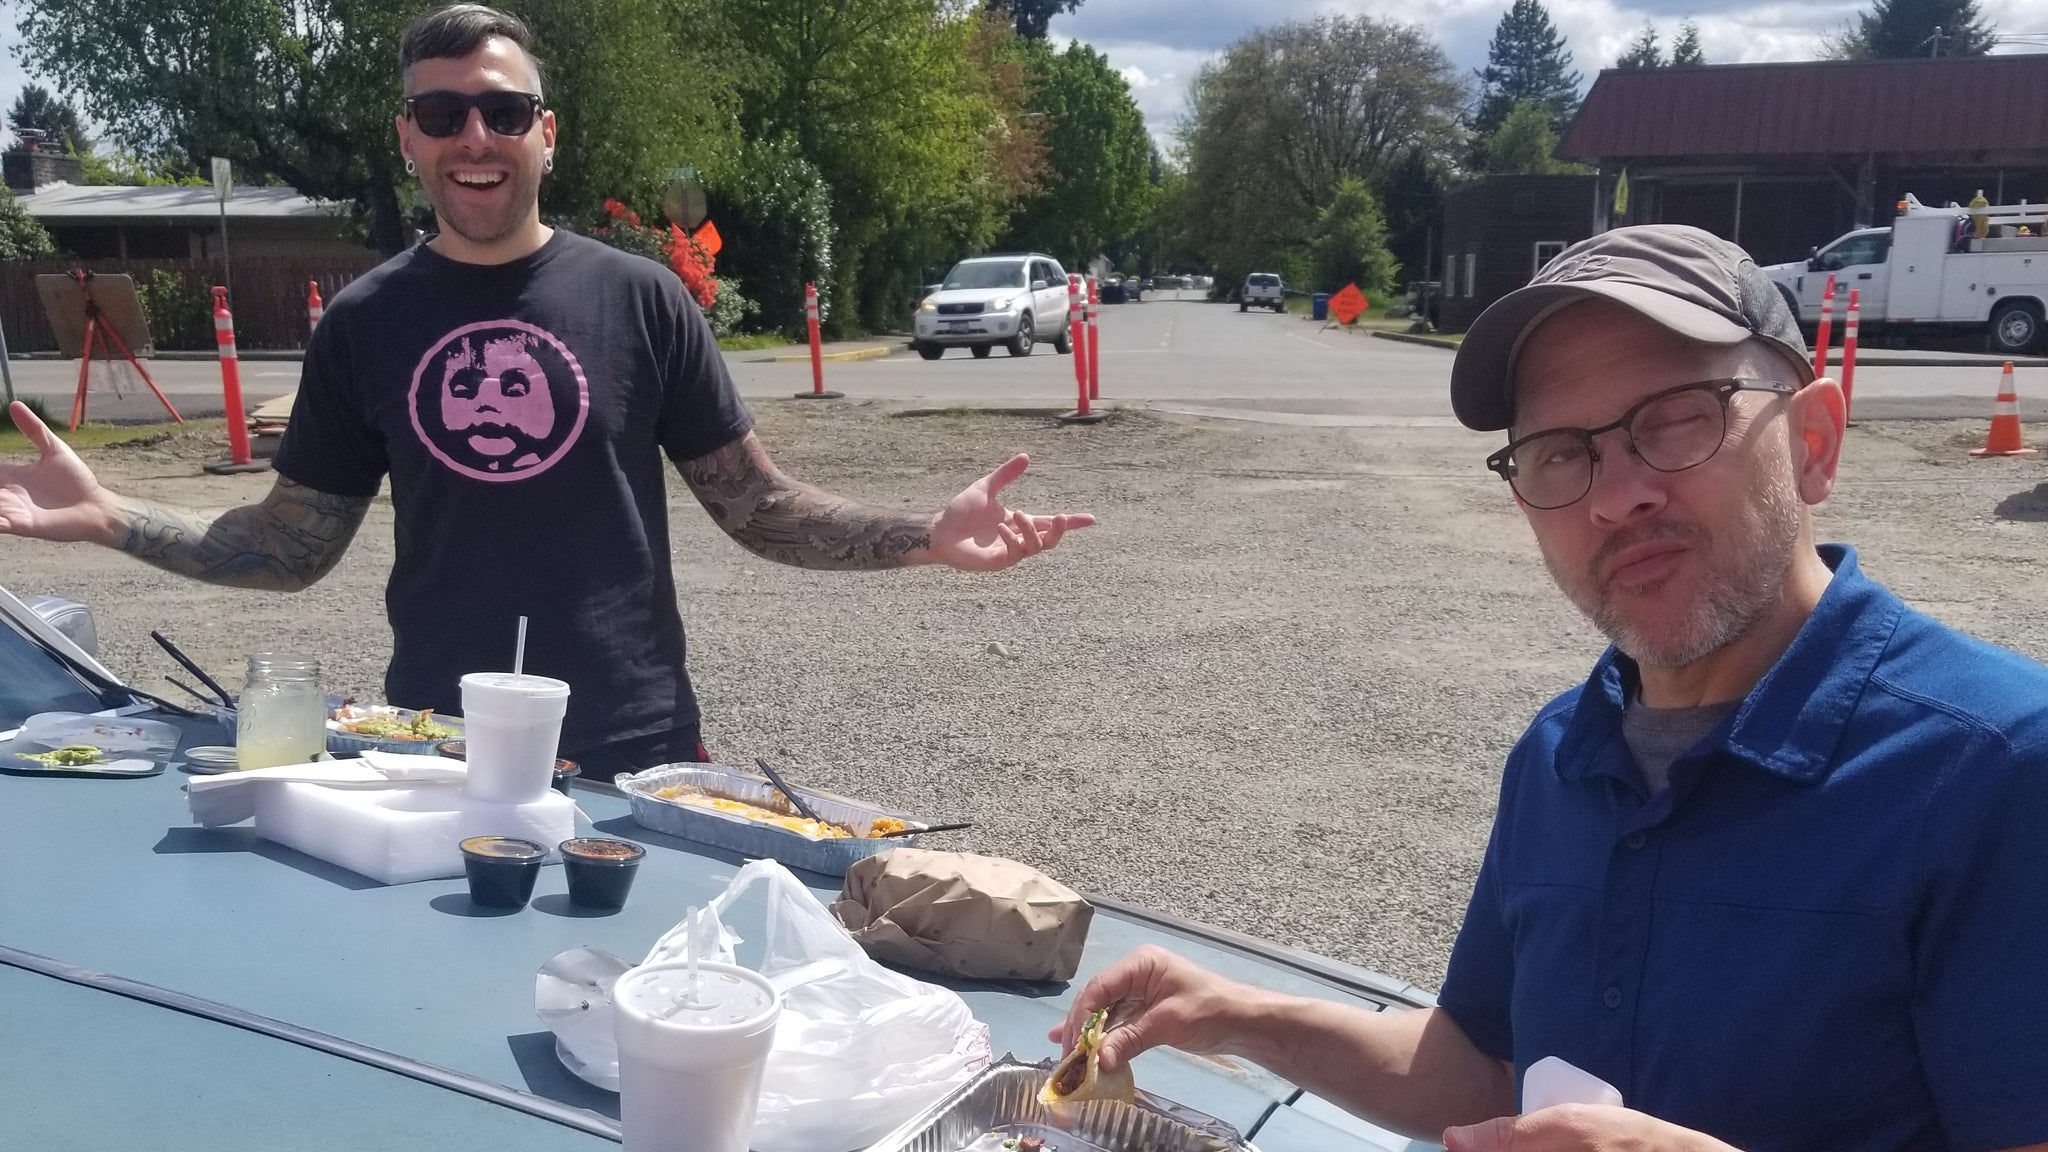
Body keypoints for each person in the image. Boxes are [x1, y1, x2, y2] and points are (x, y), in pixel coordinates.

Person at [1055, 227, 2048, 1152]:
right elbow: (1485, 1068)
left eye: (1673, 421)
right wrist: (1235, 1014)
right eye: (1560, 455)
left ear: (1812, 442)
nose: (1616, 499)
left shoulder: (1995, 769)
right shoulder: (1562, 756)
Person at [0, 4, 1093, 781]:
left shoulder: (641, 299)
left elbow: (757, 509)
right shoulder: (367, 323)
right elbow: (290, 545)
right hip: (435, 742)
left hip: (633, 739)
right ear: (408, 140)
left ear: (545, 132)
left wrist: (922, 537)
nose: (474, 137)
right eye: (442, 115)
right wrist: (112, 518)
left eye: (503, 111)